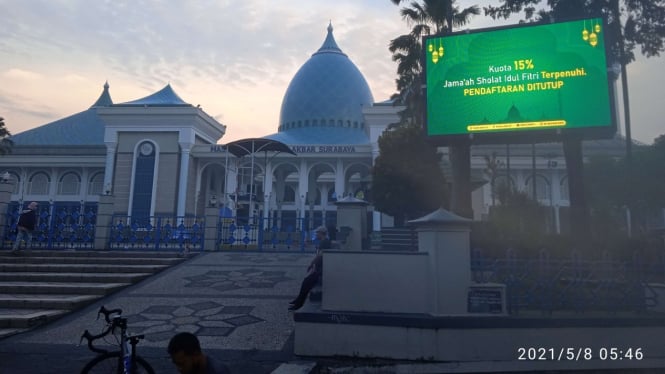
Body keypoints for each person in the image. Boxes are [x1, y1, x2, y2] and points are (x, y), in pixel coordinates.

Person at [289, 225, 331, 311]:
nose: (316, 234)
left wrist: (312, 264)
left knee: (306, 283)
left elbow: (320, 256)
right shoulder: (324, 241)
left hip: (321, 270)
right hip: (320, 268)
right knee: (306, 282)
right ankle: (298, 301)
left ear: (321, 233)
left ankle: (299, 303)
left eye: (317, 233)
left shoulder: (324, 242)